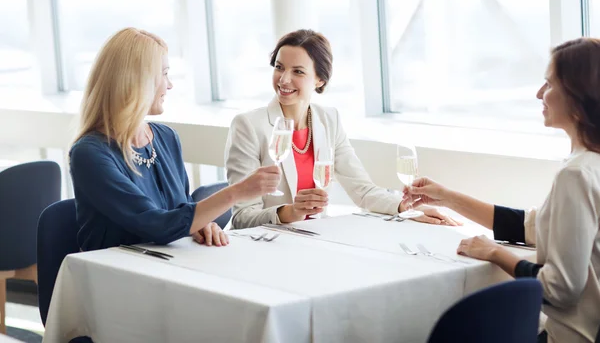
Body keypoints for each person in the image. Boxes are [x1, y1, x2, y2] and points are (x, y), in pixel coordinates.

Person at [406, 38, 600, 343]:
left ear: (578, 98)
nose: (539, 93)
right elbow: (533, 227)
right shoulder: (589, 165)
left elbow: (560, 289)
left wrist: (495, 253)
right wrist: (448, 198)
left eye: (548, 84)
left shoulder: (576, 175)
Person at [70, 27, 281, 251]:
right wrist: (237, 192)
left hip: (167, 265)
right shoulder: (89, 153)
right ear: (136, 81)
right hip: (116, 273)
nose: (169, 85)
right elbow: (157, 225)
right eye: (163, 74)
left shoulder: (166, 137)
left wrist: (201, 224)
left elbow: (181, 209)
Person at [225, 29, 459, 229]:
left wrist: (405, 207)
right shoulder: (248, 126)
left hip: (316, 239)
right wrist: (290, 212)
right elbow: (242, 217)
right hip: (266, 246)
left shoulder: (329, 120)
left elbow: (362, 190)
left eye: (298, 71)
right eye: (279, 67)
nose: (284, 80)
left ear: (320, 80)